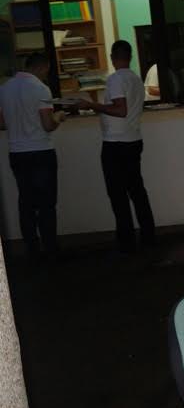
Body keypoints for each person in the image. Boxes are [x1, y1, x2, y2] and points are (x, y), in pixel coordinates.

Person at [77, 41, 156, 253]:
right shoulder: (135, 79)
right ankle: (148, 236)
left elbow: (120, 110)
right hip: (133, 139)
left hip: (116, 143)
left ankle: (126, 241)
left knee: (118, 194)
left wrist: (91, 105)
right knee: (137, 191)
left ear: (112, 57)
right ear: (130, 56)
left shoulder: (115, 79)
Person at [0, 52, 66, 258]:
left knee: (26, 201)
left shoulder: (4, 88)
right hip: (40, 151)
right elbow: (47, 125)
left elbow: (2, 122)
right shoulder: (40, 88)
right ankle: (50, 248)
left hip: (16, 152)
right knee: (46, 203)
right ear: (43, 67)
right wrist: (58, 117)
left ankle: (32, 248)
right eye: (47, 70)